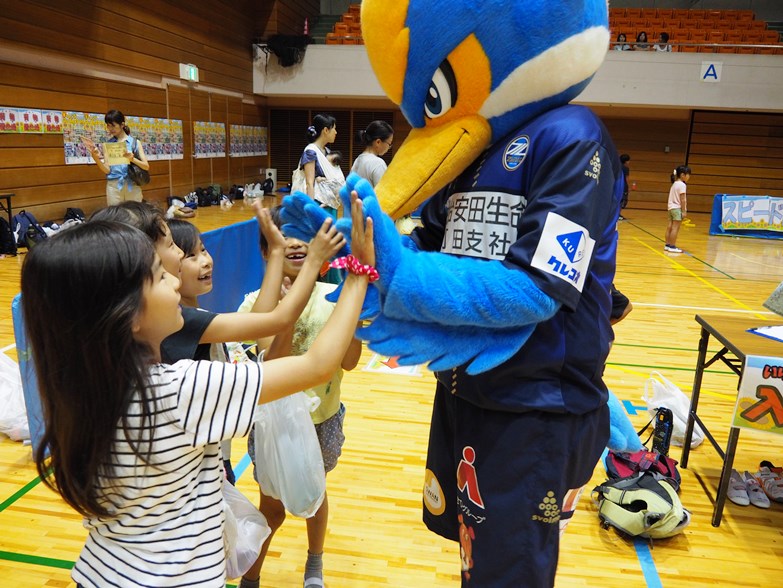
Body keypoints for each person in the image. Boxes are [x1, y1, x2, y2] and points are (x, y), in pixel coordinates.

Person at [20, 194, 374, 588]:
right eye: (160, 274)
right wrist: (358, 273)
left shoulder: (79, 392)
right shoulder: (178, 391)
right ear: (127, 314)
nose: (176, 280)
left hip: (103, 572)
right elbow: (316, 365)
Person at [237, 206, 362, 588]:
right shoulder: (255, 306)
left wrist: (350, 309)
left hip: (323, 419)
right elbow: (272, 363)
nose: (295, 243)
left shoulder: (332, 297)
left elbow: (350, 361)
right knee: (271, 507)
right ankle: (251, 577)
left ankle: (314, 563)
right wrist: (286, 313)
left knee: (316, 495)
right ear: (268, 251)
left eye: (303, 235)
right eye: (284, 235)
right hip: (274, 427)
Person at [81, 110, 150, 206]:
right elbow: (107, 170)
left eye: (113, 125)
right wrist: (96, 158)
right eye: (108, 125)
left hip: (132, 184)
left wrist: (132, 159)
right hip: (113, 186)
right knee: (115, 214)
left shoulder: (135, 142)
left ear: (122, 125)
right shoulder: (108, 144)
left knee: (134, 213)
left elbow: (146, 166)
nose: (110, 129)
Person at [300, 114, 343, 214]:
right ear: (326, 130)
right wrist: (311, 209)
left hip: (330, 202)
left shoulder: (327, 151)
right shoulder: (311, 151)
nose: (336, 132)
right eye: (334, 129)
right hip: (318, 203)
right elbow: (309, 183)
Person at [350, 120, 394, 187]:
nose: (389, 147)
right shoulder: (378, 163)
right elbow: (383, 191)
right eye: (389, 143)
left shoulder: (358, 160)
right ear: (378, 142)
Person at [665, 165, 690, 253]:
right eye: (688, 175)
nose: (689, 177)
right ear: (683, 175)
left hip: (671, 208)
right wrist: (684, 211)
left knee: (670, 227)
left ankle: (667, 245)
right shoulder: (682, 185)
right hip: (677, 209)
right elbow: (683, 199)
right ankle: (672, 246)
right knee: (675, 228)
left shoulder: (674, 184)